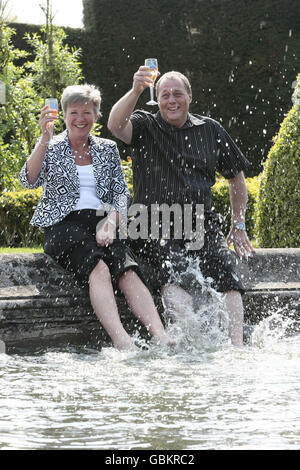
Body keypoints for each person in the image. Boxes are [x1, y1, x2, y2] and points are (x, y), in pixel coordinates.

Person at [20, 83, 174, 351]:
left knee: (127, 269)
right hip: (63, 224)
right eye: (74, 112)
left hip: (102, 221)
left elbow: (120, 195)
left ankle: (160, 335)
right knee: (99, 267)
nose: (81, 118)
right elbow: (28, 180)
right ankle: (123, 341)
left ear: (96, 115)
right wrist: (43, 138)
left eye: (87, 112)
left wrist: (111, 223)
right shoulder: (51, 146)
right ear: (64, 116)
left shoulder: (107, 148)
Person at [107, 68, 255, 347]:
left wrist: (238, 225)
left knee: (227, 272)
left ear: (190, 96)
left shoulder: (210, 129)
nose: (171, 100)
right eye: (165, 95)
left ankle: (237, 348)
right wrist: (137, 89)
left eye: (178, 94)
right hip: (150, 222)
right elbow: (115, 125)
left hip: (199, 221)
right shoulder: (143, 125)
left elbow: (236, 177)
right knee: (171, 271)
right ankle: (194, 345)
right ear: (158, 99)